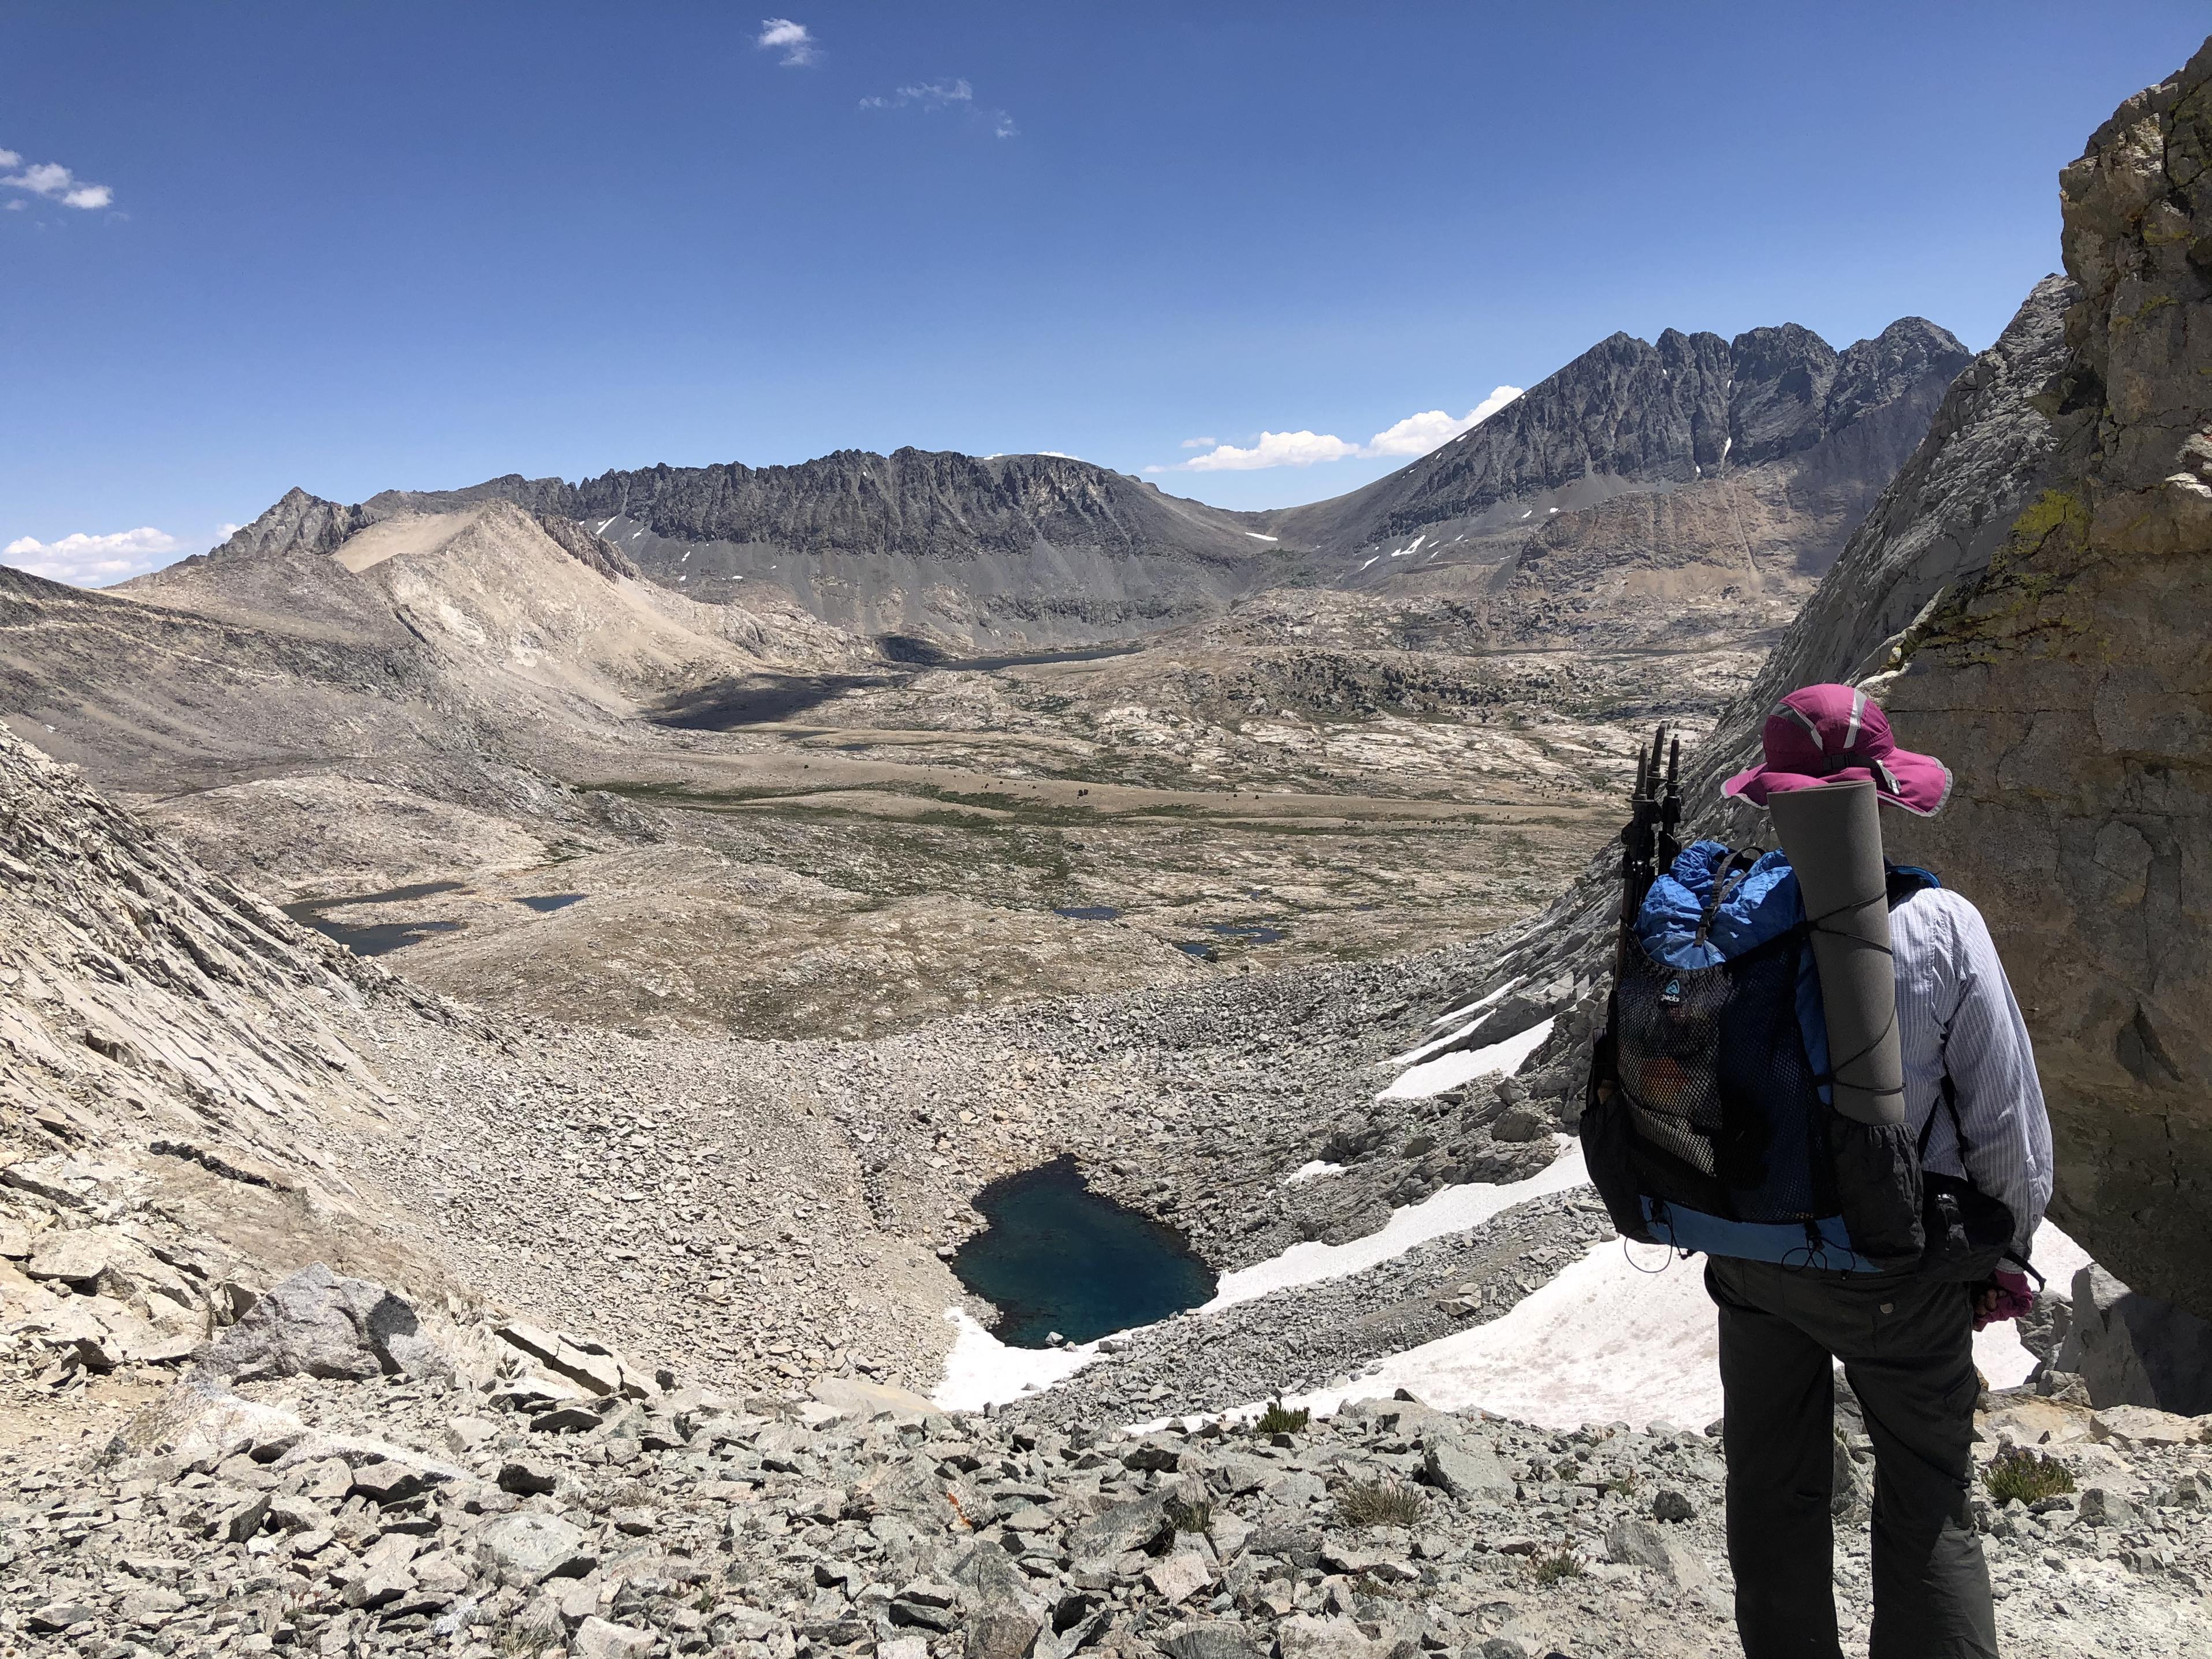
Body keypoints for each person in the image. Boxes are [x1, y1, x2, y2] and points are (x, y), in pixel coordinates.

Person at [1707, 684, 2053, 1659]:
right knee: (1925, 1493)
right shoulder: (1940, 924)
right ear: (1888, 795)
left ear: (1769, 800)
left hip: (1754, 1255)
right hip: (1898, 1264)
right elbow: (2003, 1120)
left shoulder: (1726, 917)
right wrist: (2004, 1249)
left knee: (1770, 1491)